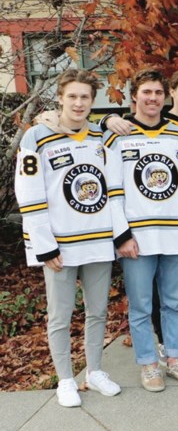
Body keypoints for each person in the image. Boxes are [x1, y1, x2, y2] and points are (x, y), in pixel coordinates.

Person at [15, 69, 122, 407]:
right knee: (60, 315)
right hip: (59, 246)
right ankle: (65, 379)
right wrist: (43, 243)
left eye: (85, 97)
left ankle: (94, 372)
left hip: (98, 241)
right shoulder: (36, 136)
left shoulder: (100, 137)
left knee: (98, 311)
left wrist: (118, 235)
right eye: (72, 96)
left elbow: (113, 189)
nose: (78, 103)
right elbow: (28, 192)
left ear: (93, 102)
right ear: (60, 97)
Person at [105, 67, 178, 392]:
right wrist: (121, 235)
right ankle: (149, 363)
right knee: (141, 306)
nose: (152, 98)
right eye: (146, 92)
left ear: (166, 97)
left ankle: (174, 357)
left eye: (158, 93)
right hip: (137, 239)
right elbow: (112, 190)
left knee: (173, 302)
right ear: (135, 95)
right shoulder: (118, 137)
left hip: (176, 235)